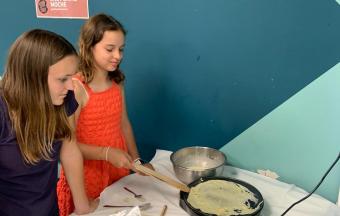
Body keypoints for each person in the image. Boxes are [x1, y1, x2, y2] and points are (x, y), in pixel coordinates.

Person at [57, 13, 154, 215]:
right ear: (89, 46)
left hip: (117, 167)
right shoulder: (76, 87)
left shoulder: (117, 83)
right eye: (110, 49)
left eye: (121, 49)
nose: (118, 56)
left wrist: (137, 161)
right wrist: (106, 153)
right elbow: (68, 145)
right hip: (86, 172)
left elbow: (124, 123)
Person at [0, 29, 98, 215]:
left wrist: (82, 205)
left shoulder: (63, 99)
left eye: (72, 77)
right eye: (63, 79)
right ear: (31, 77)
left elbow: (69, 150)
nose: (70, 86)